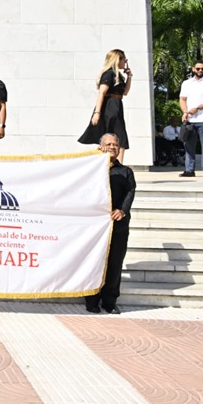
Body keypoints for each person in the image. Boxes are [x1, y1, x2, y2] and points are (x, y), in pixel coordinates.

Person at [85, 133, 135, 314]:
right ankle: (92, 300)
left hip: (118, 224)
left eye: (115, 144)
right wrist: (95, 156)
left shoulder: (126, 171)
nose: (112, 147)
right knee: (94, 261)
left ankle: (110, 301)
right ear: (101, 146)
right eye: (108, 144)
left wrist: (122, 210)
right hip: (95, 226)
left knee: (115, 262)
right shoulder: (92, 168)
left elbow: (130, 191)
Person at [78, 49, 132, 163]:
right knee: (114, 136)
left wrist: (129, 76)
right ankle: (111, 163)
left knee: (120, 137)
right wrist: (97, 113)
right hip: (109, 107)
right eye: (124, 59)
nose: (125, 62)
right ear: (118, 59)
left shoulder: (118, 75)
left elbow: (125, 92)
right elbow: (102, 93)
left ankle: (117, 164)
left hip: (117, 106)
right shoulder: (109, 73)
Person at [179, 61, 203, 177]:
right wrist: (185, 112)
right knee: (188, 146)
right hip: (190, 121)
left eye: (202, 69)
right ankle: (189, 170)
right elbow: (182, 99)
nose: (200, 70)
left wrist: (197, 108)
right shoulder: (187, 83)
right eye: (198, 68)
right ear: (193, 69)